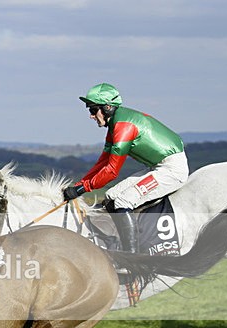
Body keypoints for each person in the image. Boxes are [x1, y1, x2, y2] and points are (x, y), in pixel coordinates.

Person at [62, 83, 188, 254]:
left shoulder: (123, 127)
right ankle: (120, 242)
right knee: (110, 196)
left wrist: (82, 189)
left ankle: (132, 257)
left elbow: (111, 171)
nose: (91, 116)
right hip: (159, 166)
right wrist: (79, 185)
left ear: (107, 108)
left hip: (172, 169)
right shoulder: (115, 125)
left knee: (123, 202)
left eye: (93, 110)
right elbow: (102, 163)